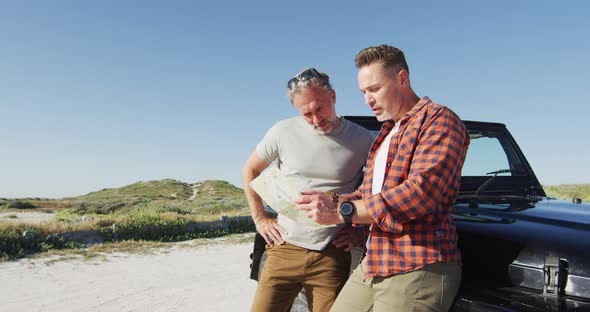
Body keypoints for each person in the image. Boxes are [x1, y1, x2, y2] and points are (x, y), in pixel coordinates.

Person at [296, 44, 470, 311]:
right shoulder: (387, 133)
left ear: (402, 79)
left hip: (418, 265)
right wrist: (327, 199)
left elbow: (419, 194)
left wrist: (341, 212)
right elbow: (366, 194)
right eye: (364, 92)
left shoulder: (439, 119)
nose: (368, 99)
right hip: (375, 260)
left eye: (374, 89)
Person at [242, 67, 375, 312]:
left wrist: (360, 231)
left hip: (332, 253)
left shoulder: (364, 140)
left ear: (333, 97)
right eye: (306, 114)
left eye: (320, 108)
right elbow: (250, 170)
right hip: (284, 248)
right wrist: (260, 219)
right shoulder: (282, 132)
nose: (316, 119)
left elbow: (378, 189)